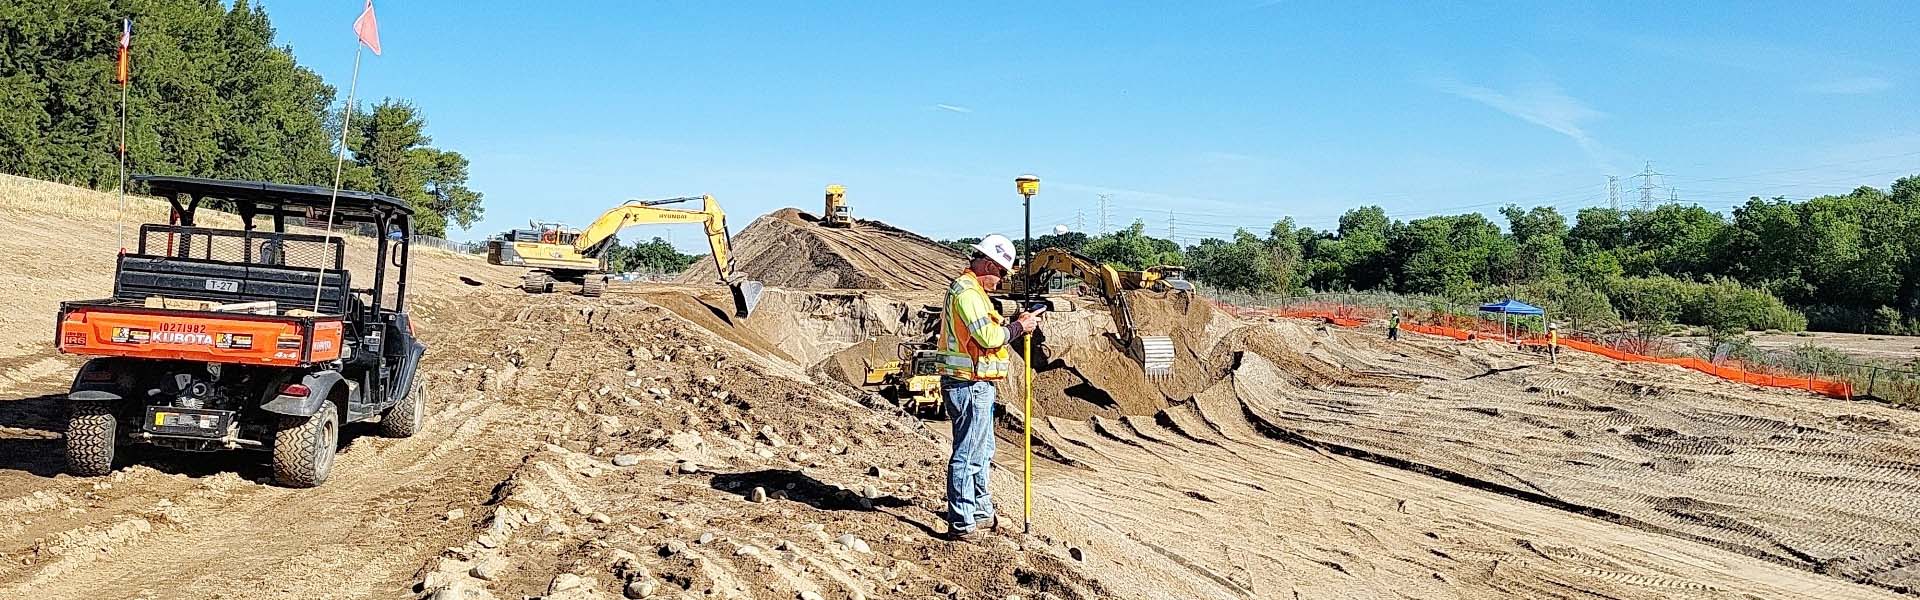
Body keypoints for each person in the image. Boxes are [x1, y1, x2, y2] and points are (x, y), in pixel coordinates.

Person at [936, 233, 1039, 541]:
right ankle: (961, 522)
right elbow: (988, 339)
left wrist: (1016, 320)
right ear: (986, 264)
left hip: (978, 384)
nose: (1002, 279)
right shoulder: (966, 293)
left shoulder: (976, 294)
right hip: (967, 385)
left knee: (983, 451)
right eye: (1001, 272)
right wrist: (1021, 328)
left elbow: (989, 328)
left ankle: (980, 511)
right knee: (967, 454)